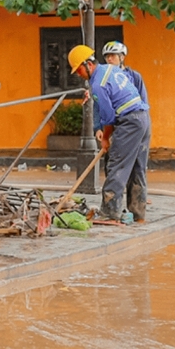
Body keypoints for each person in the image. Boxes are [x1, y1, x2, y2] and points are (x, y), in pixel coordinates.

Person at [69, 45, 150, 223]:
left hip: (129, 122)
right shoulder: (110, 70)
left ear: (89, 64)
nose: (78, 75)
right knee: (137, 168)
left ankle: (109, 213)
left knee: (117, 165)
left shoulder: (98, 84)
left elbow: (108, 116)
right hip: (143, 118)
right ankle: (138, 214)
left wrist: (105, 138)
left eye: (79, 70)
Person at [101, 40, 149, 222]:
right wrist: (100, 129)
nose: (109, 59)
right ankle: (115, 207)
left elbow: (141, 103)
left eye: (113, 56)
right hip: (117, 127)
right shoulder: (105, 78)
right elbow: (102, 107)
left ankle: (137, 213)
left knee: (138, 168)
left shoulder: (134, 77)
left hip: (135, 124)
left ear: (122, 57)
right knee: (114, 164)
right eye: (107, 56)